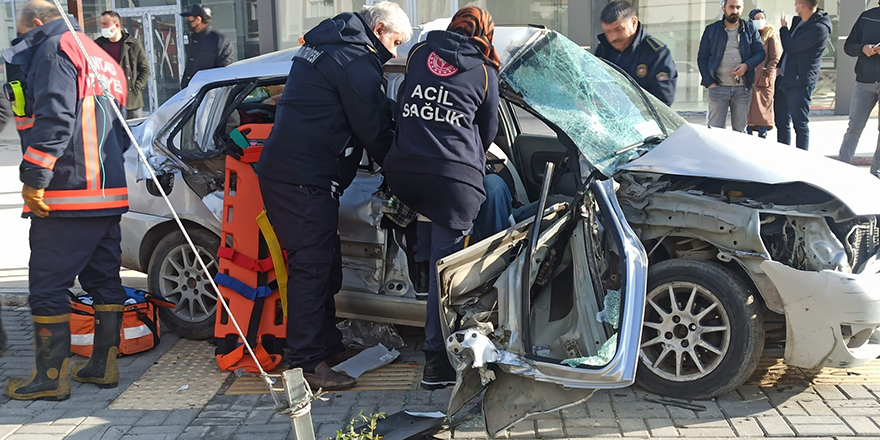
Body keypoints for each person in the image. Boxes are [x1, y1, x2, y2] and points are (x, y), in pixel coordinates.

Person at [255, 2, 411, 391]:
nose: (394, 51)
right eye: (395, 41)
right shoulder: (355, 59)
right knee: (312, 269)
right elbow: (373, 127)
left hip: (296, 172)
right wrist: (407, 170)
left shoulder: (330, 43)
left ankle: (325, 345)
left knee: (322, 267)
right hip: (302, 178)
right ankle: (307, 363)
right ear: (378, 29)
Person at [3, 0, 129, 401]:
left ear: (37, 23)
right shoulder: (98, 53)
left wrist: (35, 178)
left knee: (46, 284)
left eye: (23, 35)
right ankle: (102, 367)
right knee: (104, 280)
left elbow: (55, 118)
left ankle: (50, 378)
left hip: (68, 192)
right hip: (106, 190)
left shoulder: (54, 49)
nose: (22, 43)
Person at [382, 6, 500, 390]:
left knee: (430, 254)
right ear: (485, 32)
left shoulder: (417, 54)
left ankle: (418, 277)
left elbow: (402, 103)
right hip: (451, 183)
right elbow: (487, 133)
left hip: (407, 173)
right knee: (444, 277)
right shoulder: (484, 71)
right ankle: (437, 363)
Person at [698, 0, 765, 132]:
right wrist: (710, 82)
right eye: (731, 7)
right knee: (715, 131)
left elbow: (760, 53)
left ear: (742, 9)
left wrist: (746, 65)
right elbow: (702, 58)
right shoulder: (712, 30)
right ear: (724, 9)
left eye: (738, 7)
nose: (734, 11)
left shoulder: (750, 28)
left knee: (739, 131)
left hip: (742, 89)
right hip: (718, 87)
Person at [595, 0, 678, 106]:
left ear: (634, 23)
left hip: (643, 120)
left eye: (619, 29)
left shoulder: (656, 53)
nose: (613, 37)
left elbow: (662, 99)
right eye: (608, 32)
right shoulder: (602, 50)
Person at [774, 0, 831, 150]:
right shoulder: (798, 21)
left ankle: (801, 159)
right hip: (784, 77)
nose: (794, 5)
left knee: (799, 123)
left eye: (797, 3)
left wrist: (783, 29)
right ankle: (783, 154)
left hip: (800, 81)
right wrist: (780, 66)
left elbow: (791, 46)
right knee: (781, 121)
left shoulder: (819, 28)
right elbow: (788, 51)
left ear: (803, 5)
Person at [837, 1, 880, 177]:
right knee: (854, 128)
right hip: (864, 82)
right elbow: (849, 46)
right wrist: (863, 49)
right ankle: (842, 168)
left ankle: (876, 172)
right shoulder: (867, 16)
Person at [95, 10, 150, 119]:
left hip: (131, 103)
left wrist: (136, 87)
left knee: (133, 132)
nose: (102, 27)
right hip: (108, 101)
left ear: (117, 25)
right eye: (101, 24)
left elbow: (145, 69)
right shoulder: (98, 45)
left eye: (105, 24)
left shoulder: (133, 44)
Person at [179, 4, 234, 89]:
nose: (187, 22)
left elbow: (225, 70)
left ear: (198, 19)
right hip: (192, 93)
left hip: (208, 94)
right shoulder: (194, 39)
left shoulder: (219, 40)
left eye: (189, 19)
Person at [746, 8, 781, 139]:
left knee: (763, 109)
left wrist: (767, 72)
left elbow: (775, 57)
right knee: (749, 109)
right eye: (757, 19)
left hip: (763, 79)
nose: (760, 21)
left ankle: (763, 133)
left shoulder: (770, 35)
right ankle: (748, 132)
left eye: (762, 18)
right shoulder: (748, 34)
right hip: (750, 77)